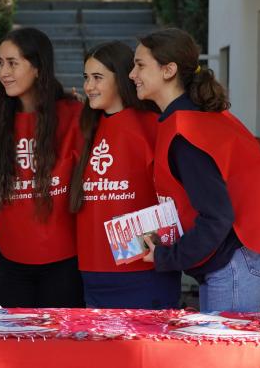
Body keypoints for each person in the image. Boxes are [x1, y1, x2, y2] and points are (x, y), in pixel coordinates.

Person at [130, 28, 260, 312]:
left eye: (140, 65)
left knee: (225, 357)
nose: (133, 74)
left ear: (169, 70)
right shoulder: (194, 119)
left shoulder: (187, 132)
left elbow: (217, 217)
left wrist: (167, 257)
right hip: (236, 263)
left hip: (233, 266)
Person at [0, 27, 84, 308]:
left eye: (13, 63)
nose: (4, 72)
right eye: (0, 63)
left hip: (65, 264)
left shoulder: (74, 116)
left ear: (39, 67)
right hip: (11, 263)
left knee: (60, 350)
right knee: (6, 348)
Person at [68, 41, 181, 309]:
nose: (88, 86)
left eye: (98, 78)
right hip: (92, 268)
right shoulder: (86, 127)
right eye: (86, 78)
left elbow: (175, 198)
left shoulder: (154, 126)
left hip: (143, 269)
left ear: (122, 78)